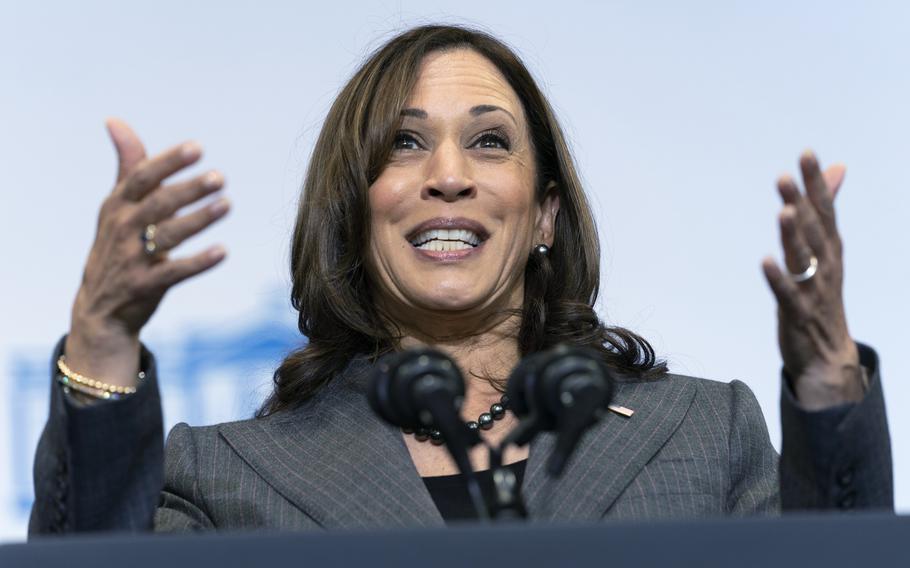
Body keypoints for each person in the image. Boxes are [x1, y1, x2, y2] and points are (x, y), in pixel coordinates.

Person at [30, 25, 891, 534]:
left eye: (489, 141)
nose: (449, 174)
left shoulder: (709, 434)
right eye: (404, 143)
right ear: (355, 212)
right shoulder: (221, 476)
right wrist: (104, 337)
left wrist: (826, 380)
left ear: (544, 214)